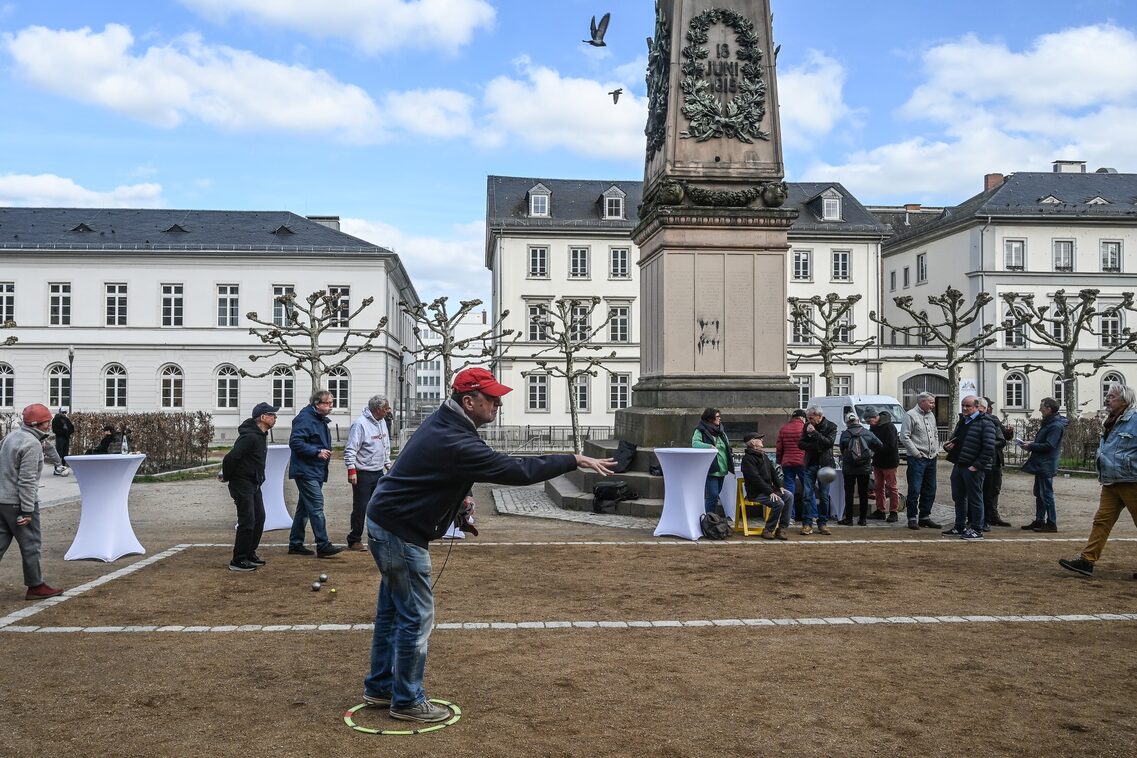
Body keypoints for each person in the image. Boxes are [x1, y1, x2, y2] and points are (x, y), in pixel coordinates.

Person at [363, 367, 615, 722]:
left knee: (393, 610)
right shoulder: (456, 438)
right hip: (400, 531)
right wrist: (572, 459)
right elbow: (515, 470)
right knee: (416, 616)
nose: (498, 403)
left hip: (389, 522)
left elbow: (445, 469)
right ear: (469, 401)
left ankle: (380, 686)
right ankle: (406, 700)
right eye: (492, 398)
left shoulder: (447, 424)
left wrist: (460, 497)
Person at [1059, 382, 1137, 578]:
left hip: (1132, 481)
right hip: (1111, 481)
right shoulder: (1111, 420)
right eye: (1107, 396)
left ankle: (1087, 560)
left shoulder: (1135, 419)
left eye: (1112, 397)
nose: (1107, 399)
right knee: (1101, 521)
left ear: (1124, 401)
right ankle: (1087, 561)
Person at [0, 403, 65, 599]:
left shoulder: (11, 437)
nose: (49, 424)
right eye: (46, 422)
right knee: (31, 544)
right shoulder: (32, 444)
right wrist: (27, 510)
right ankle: (36, 586)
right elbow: (27, 480)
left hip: (2, 500)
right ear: (37, 424)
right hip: (19, 502)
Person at [220, 402, 278, 572]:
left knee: (259, 518)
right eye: (272, 415)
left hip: (254, 483)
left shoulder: (261, 435)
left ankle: (249, 553)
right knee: (247, 521)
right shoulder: (250, 437)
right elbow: (230, 458)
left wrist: (259, 478)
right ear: (263, 417)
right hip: (242, 483)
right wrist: (228, 477)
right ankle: (238, 560)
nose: (275, 418)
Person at [288, 389, 343, 558]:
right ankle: (323, 544)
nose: (331, 406)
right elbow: (295, 442)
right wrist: (316, 452)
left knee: (304, 508)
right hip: (307, 470)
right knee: (316, 506)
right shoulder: (305, 419)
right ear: (317, 404)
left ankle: (295, 543)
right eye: (328, 403)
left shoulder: (317, 418)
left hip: (314, 469)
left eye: (332, 403)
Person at [942, 395, 996, 540]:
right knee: (958, 497)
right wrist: (948, 447)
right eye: (963, 405)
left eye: (968, 406)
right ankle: (960, 526)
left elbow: (989, 447)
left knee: (975, 498)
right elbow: (958, 441)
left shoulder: (986, 423)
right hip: (959, 464)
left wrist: (977, 465)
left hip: (972, 467)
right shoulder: (963, 421)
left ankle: (977, 529)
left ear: (977, 407)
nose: (965, 408)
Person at [344, 395, 392, 551]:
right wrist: (351, 469)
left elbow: (385, 444)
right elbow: (351, 448)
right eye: (386, 408)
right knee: (361, 507)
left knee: (380, 505)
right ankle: (354, 539)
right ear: (378, 409)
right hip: (363, 472)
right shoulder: (360, 424)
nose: (388, 411)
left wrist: (387, 463)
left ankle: (377, 537)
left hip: (378, 471)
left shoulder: (382, 422)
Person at [1019, 397, 1068, 533]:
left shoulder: (1055, 425)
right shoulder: (1050, 423)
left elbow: (1049, 445)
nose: (1040, 409)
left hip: (1046, 464)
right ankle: (1039, 520)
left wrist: (1031, 446)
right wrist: (1032, 444)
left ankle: (1051, 523)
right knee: (1039, 494)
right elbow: (1046, 443)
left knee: (1046, 494)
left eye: (1042, 407)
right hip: (1042, 463)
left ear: (1049, 409)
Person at [900, 391, 942, 531]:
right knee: (915, 489)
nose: (933, 405)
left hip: (931, 458)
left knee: (930, 489)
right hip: (917, 459)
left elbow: (935, 433)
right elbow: (904, 436)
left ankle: (925, 517)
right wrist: (916, 453)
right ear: (922, 402)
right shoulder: (910, 415)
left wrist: (936, 449)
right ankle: (912, 517)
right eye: (931, 402)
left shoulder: (931, 415)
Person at [740, 432, 792, 540]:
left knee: (789, 496)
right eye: (759, 439)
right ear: (753, 442)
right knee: (779, 502)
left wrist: (780, 486)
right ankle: (768, 530)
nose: (762, 440)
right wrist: (770, 491)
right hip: (756, 493)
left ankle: (781, 529)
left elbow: (773, 472)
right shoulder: (747, 459)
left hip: (768, 491)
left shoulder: (763, 455)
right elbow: (755, 479)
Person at [798, 405, 837, 536]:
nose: (809, 420)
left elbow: (829, 443)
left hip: (825, 465)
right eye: (808, 418)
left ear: (818, 416)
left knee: (824, 496)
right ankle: (807, 523)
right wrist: (817, 446)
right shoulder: (806, 426)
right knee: (807, 495)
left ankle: (823, 523)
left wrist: (815, 434)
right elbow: (800, 444)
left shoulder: (831, 426)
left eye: (811, 418)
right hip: (810, 465)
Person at [838, 412, 882, 526]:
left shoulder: (845, 434)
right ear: (858, 421)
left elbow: (842, 449)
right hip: (864, 467)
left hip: (849, 468)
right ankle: (863, 519)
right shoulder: (867, 432)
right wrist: (870, 453)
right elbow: (879, 445)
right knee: (863, 493)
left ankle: (849, 519)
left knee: (849, 493)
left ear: (847, 423)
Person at [691, 408, 734, 515]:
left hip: (722, 468)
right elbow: (695, 444)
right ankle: (708, 518)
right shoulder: (700, 430)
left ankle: (711, 518)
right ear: (710, 418)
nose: (720, 418)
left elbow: (726, 446)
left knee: (715, 495)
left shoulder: (721, 432)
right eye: (717, 416)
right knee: (713, 495)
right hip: (710, 468)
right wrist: (709, 446)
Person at [981, 396, 1014, 528]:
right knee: (984, 488)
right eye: (989, 406)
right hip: (985, 459)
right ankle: (983, 516)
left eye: (991, 406)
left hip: (996, 460)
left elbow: (1004, 436)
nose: (991, 408)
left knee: (995, 488)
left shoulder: (994, 419)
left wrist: (1010, 432)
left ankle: (993, 515)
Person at [866, 409, 901, 521]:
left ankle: (894, 511)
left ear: (875, 417)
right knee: (878, 487)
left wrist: (876, 449)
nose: (868, 424)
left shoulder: (889, 427)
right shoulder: (873, 427)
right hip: (878, 461)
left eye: (869, 421)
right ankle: (880, 510)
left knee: (891, 487)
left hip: (889, 462)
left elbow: (890, 445)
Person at [775, 409, 808, 522]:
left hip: (787, 462)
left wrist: (779, 460)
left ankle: (790, 516)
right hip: (803, 462)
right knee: (808, 488)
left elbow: (779, 447)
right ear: (802, 418)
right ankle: (811, 515)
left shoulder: (784, 428)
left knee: (789, 489)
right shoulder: (805, 428)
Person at [51, 407, 74, 475]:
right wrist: (63, 432)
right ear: (60, 412)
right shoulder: (56, 419)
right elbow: (55, 429)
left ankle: (63, 467)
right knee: (59, 453)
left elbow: (71, 427)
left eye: (65, 412)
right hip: (60, 437)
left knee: (65, 453)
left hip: (66, 437)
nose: (64, 414)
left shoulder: (66, 419)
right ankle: (57, 468)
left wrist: (68, 432)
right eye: (63, 412)